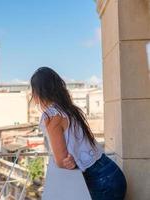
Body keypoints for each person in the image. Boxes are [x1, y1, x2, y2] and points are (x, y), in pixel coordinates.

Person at [30, 67, 127, 200]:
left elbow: (61, 161)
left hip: (102, 182)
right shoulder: (69, 109)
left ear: (38, 92)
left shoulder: (51, 116)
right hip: (111, 173)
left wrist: (68, 160)